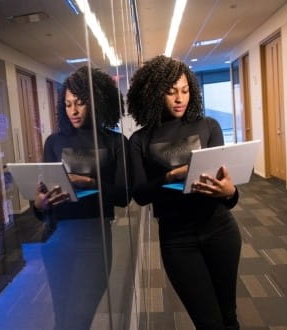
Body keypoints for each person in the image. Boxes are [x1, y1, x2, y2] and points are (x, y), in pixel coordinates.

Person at [127, 55, 241, 330]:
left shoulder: (209, 126)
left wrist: (230, 191)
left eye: (185, 90)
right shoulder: (140, 140)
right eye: (171, 92)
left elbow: (226, 191)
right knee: (208, 322)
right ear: (154, 94)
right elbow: (141, 194)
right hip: (177, 239)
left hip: (220, 229)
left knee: (229, 315)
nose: (180, 98)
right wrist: (170, 176)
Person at [33, 65, 130, 330]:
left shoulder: (115, 142)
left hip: (94, 238)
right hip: (56, 236)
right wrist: (39, 204)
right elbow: (44, 201)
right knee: (62, 318)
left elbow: (123, 196)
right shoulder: (53, 142)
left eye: (80, 103)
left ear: (96, 102)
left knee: (78, 319)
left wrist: (88, 182)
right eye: (68, 104)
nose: (73, 111)